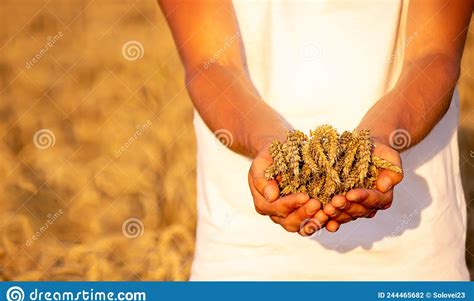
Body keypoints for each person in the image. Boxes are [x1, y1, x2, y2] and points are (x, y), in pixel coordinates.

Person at [159, 0, 473, 280]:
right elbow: (211, 63)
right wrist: (269, 143)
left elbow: (434, 54)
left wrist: (378, 140)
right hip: (245, 252)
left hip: (413, 257)